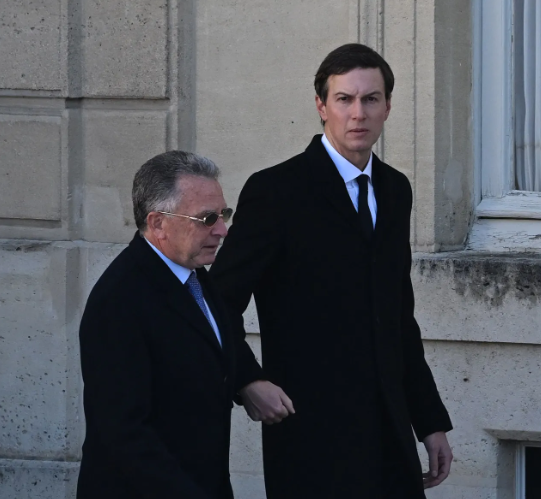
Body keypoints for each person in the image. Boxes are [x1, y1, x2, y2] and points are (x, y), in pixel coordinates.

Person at [210, 43, 453, 499]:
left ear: (387, 107)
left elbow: (398, 318)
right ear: (322, 106)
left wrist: (430, 422)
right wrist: (247, 380)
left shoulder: (395, 189)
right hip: (311, 432)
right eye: (344, 99)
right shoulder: (276, 191)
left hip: (389, 431)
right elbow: (217, 301)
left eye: (371, 99)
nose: (358, 113)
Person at [77, 151, 278, 499]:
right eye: (207, 218)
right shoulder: (120, 300)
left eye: (224, 214)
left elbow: (210, 345)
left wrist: (247, 380)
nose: (222, 230)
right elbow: (123, 433)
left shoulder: (194, 275)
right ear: (158, 223)